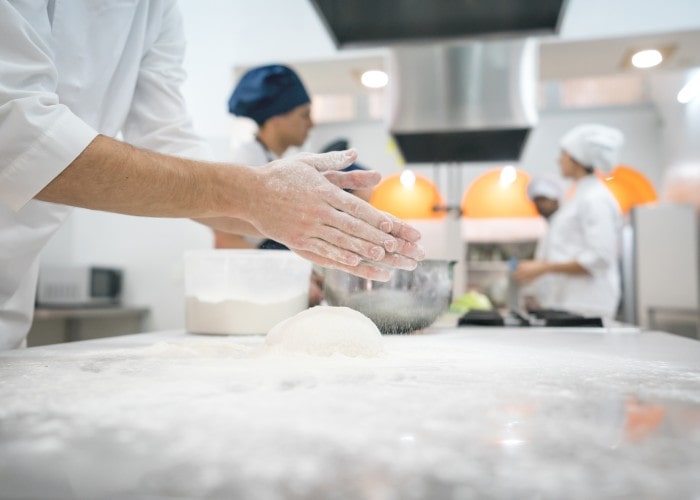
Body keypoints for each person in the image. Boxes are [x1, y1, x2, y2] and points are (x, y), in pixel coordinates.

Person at [0, 1, 424, 350]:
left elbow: (167, 143)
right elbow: (18, 133)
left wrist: (299, 215)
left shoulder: (155, 11)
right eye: (303, 114)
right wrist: (255, 196)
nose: (311, 125)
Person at [513, 124, 624, 319]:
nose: (559, 159)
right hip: (573, 305)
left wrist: (545, 267)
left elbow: (600, 257)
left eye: (563, 153)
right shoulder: (580, 197)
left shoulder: (595, 199)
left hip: (589, 306)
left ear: (577, 159)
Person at [518, 177, 563, 311]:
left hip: (567, 302)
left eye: (543, 200)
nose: (539, 205)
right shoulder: (550, 227)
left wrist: (541, 268)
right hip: (550, 303)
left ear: (555, 199)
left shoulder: (565, 224)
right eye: (536, 201)